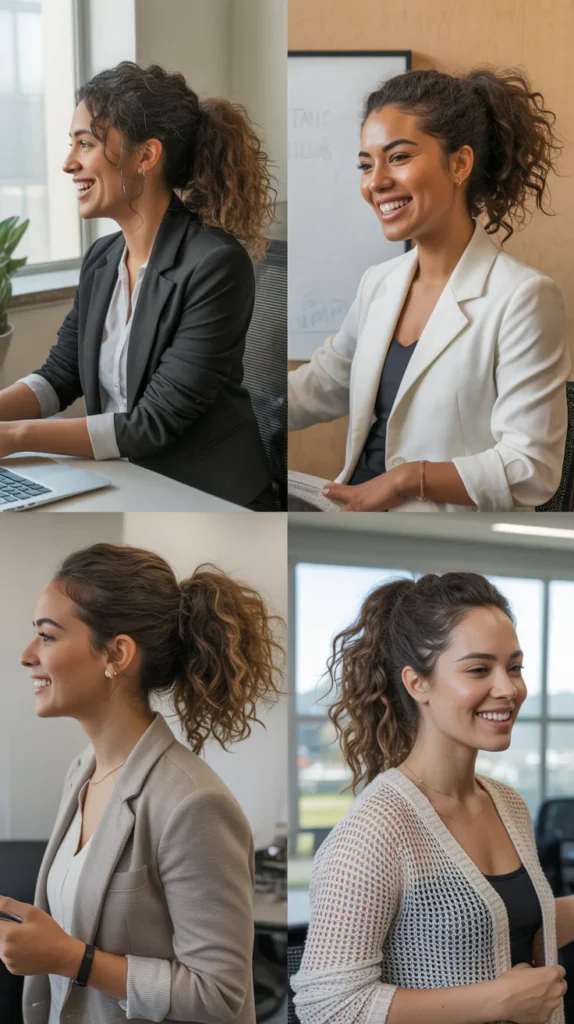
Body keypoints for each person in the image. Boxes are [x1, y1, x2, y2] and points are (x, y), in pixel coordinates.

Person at [0, 543, 283, 1023]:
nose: (28, 656)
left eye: (47, 637)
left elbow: (218, 994)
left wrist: (72, 958)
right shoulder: (83, 770)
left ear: (117, 653)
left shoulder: (194, 804)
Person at [291, 573, 572, 1024]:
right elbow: (326, 1006)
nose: (508, 688)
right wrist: (499, 1000)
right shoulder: (377, 829)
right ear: (418, 684)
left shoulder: (508, 804)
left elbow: (504, 923)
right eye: (479, 669)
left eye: (514, 666)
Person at [288, 68, 570, 512]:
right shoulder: (378, 281)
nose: (375, 182)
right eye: (366, 164)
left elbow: (531, 467)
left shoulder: (524, 297)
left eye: (397, 157)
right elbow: (325, 382)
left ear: (459, 164)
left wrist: (404, 481)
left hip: (441, 535)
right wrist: (233, 406)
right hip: (353, 516)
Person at [0, 62, 277, 510]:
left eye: (85, 144)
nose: (69, 163)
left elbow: (152, 424)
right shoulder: (102, 259)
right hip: (121, 477)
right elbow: (59, 377)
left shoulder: (216, 264)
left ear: (146, 156)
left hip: (204, 495)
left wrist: (14, 436)